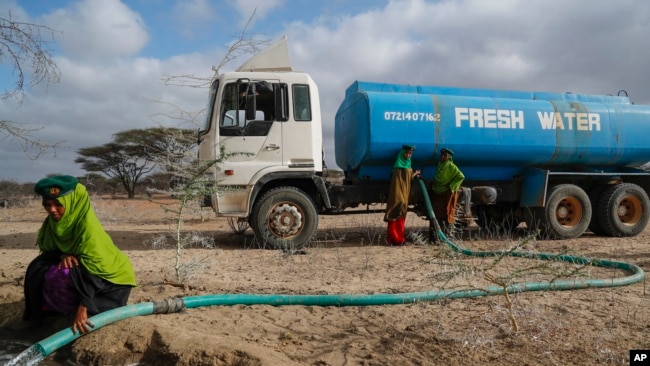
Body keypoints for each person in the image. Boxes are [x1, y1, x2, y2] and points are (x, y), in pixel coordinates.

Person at [23, 175, 136, 334]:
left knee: (66, 273)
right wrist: (63, 256)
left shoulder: (88, 230)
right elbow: (49, 252)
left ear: (73, 202)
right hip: (85, 274)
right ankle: (55, 312)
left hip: (110, 283)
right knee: (38, 269)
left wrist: (85, 307)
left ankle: (83, 305)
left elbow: (96, 272)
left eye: (58, 204)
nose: (52, 210)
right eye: (47, 205)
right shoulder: (53, 224)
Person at [384, 145, 421, 245]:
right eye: (407, 153)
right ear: (402, 153)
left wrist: (415, 174)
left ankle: (399, 239)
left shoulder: (408, 165)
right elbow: (397, 183)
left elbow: (407, 180)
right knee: (395, 215)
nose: (409, 155)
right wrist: (399, 198)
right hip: (398, 196)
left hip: (404, 195)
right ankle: (394, 239)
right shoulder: (398, 167)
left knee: (401, 218)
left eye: (410, 154)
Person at [431, 148, 465, 235]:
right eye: (442, 155)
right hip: (436, 193)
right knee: (435, 216)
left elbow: (461, 176)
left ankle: (444, 236)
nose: (442, 157)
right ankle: (435, 237)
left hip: (444, 194)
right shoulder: (440, 165)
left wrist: (452, 187)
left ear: (448, 157)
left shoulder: (451, 166)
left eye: (445, 155)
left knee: (444, 216)